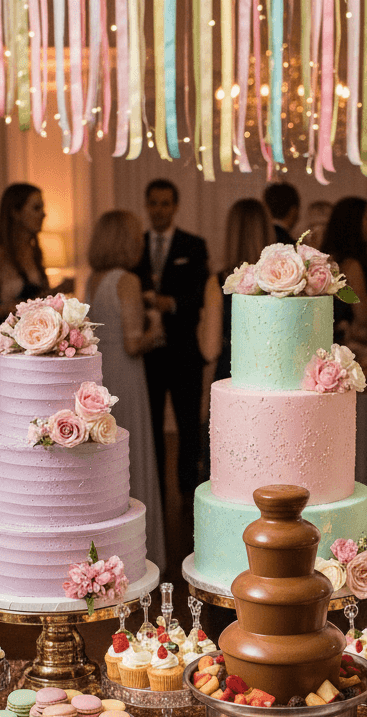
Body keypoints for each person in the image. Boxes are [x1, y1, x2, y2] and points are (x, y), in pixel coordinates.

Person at [85, 211, 167, 571]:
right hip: (128, 377)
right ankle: (141, 556)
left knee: (109, 464)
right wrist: (157, 329)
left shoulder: (93, 279)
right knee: (133, 457)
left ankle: (110, 553)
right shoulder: (128, 281)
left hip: (103, 379)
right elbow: (134, 343)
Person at [132, 178, 210, 504]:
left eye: (165, 203)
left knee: (187, 425)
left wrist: (171, 303)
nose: (159, 210)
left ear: (175, 206)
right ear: (147, 205)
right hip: (146, 353)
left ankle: (189, 493)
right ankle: (156, 496)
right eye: (153, 203)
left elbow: (199, 295)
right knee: (150, 426)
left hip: (183, 350)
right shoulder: (135, 245)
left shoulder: (194, 245)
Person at [0, 183, 51, 339]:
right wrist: (12, 308)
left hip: (37, 339)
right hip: (9, 343)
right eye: (36, 208)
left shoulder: (35, 254)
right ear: (15, 213)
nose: (44, 214)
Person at [212, 198, 275, 384]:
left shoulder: (217, 282)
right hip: (272, 375)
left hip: (232, 374)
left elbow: (210, 348)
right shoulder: (283, 280)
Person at [321, 197, 367, 345]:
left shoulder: (328, 260)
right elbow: (363, 317)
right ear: (354, 223)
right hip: (345, 347)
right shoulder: (351, 266)